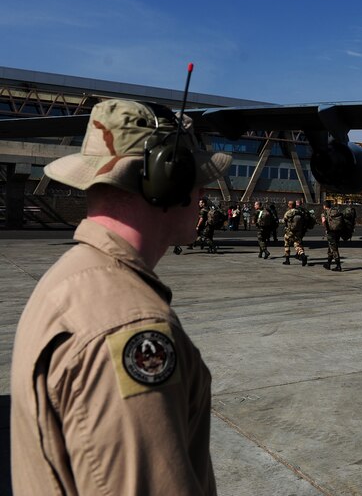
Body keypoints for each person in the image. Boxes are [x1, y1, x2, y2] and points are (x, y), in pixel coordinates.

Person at [10, 98, 228, 494]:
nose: (203, 191)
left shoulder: (71, 279)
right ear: (167, 181)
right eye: (194, 176)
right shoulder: (130, 328)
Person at [282, 199, 310, 266]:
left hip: (290, 232)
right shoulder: (300, 212)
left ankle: (287, 260)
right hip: (298, 231)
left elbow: (284, 221)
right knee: (297, 245)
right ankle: (303, 255)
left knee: (286, 244)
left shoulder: (288, 212)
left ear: (290, 205)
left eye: (289, 204)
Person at [321, 199, 344, 271]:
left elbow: (324, 221)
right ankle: (328, 264)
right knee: (331, 247)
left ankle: (338, 266)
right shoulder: (336, 211)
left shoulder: (324, 213)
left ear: (324, 206)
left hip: (331, 232)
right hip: (338, 232)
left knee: (334, 249)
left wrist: (326, 229)